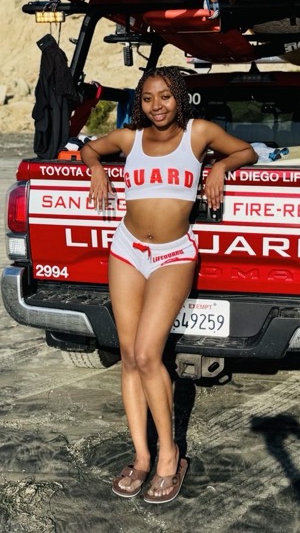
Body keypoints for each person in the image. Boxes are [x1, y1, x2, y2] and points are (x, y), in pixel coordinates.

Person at [81, 66, 258, 504]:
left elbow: (248, 151)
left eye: (164, 96)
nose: (156, 105)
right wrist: (97, 168)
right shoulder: (130, 139)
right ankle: (141, 457)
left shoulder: (198, 133)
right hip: (127, 249)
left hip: (173, 254)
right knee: (128, 357)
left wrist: (219, 166)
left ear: (179, 97)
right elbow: (89, 147)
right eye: (147, 98)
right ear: (139, 104)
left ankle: (169, 454)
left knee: (147, 354)